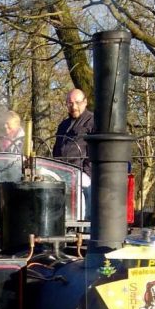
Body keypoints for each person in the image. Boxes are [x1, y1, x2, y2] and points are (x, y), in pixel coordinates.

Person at [53, 88, 95, 219]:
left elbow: (94, 151)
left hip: (81, 172)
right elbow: (56, 150)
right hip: (62, 171)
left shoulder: (93, 122)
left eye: (77, 102)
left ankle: (81, 225)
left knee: (81, 184)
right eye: (70, 103)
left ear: (85, 102)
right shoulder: (63, 125)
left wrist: (86, 171)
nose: (74, 106)